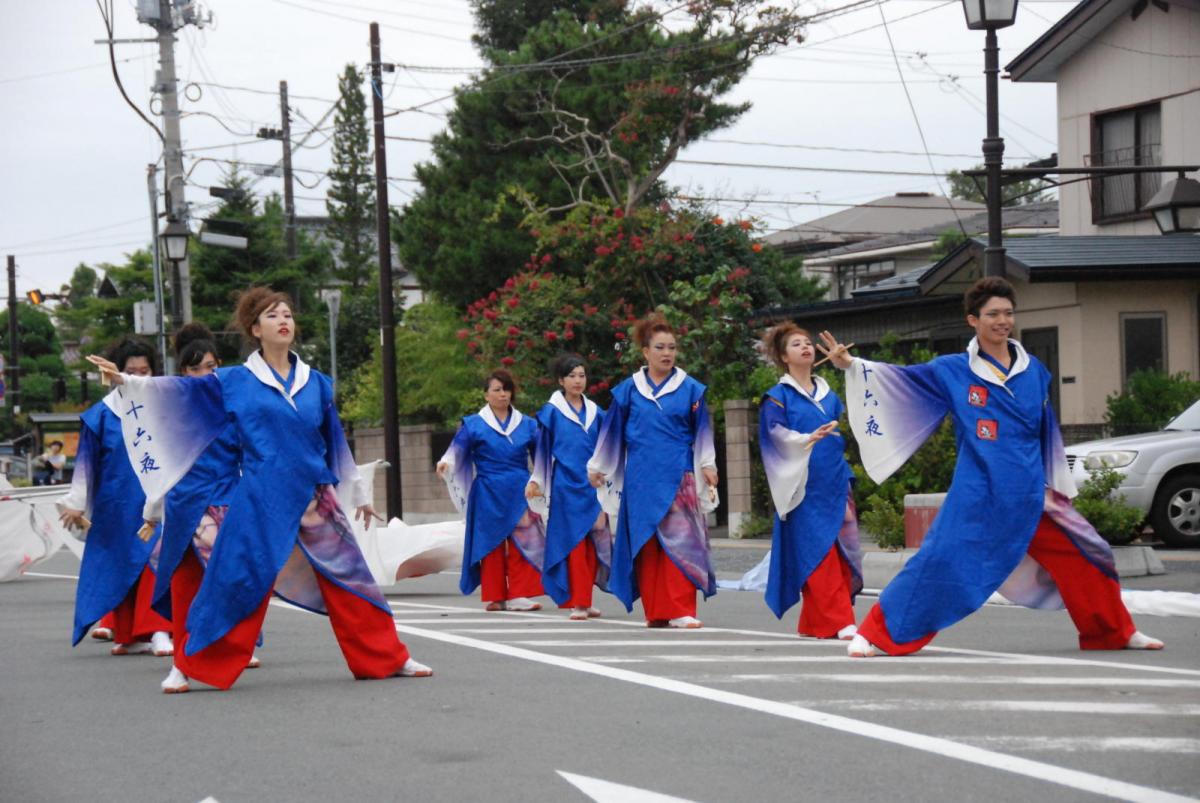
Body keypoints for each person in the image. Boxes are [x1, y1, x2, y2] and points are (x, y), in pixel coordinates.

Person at [88, 287, 430, 691]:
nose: (283, 320)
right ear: (255, 329)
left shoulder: (316, 382)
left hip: (314, 495)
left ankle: (389, 657)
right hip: (261, 496)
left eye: (287, 313)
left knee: (351, 578)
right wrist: (128, 381)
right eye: (272, 315)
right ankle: (189, 663)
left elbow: (334, 441)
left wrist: (357, 494)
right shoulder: (233, 381)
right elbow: (179, 394)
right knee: (237, 581)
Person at [817, 277, 1163, 657]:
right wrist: (850, 364)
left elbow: (1046, 430)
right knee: (940, 559)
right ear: (973, 320)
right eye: (993, 314)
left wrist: (1056, 480)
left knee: (1088, 550)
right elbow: (902, 379)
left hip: (1031, 490)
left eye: (1008, 313)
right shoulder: (952, 370)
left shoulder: (1035, 371)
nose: (1002, 321)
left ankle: (1113, 631)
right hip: (979, 490)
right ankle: (875, 633)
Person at [587, 313, 719, 628]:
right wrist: (599, 466)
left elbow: (702, 430)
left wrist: (707, 464)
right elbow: (612, 432)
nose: (667, 353)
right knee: (648, 543)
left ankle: (681, 608)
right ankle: (658, 611)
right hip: (641, 477)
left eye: (672, 347)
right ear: (645, 352)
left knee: (682, 541)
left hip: (679, 474)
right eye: (659, 347)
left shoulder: (692, 391)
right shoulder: (627, 391)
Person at [146, 323, 256, 693]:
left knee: (228, 576)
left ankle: (233, 645)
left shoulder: (234, 402)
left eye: (210, 366)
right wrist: (151, 510)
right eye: (195, 369)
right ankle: (182, 662)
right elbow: (156, 462)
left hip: (225, 496)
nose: (204, 374)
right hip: (182, 503)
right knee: (183, 584)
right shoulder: (171, 409)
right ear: (183, 374)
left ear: (220, 366)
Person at [59, 337, 173, 656]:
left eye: (145, 371)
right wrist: (75, 503)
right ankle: (128, 632)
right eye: (131, 370)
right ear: (115, 373)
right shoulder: (102, 415)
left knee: (155, 560)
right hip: (116, 503)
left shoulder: (166, 407)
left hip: (158, 500)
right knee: (122, 564)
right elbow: (85, 463)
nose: (139, 377)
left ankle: (160, 630)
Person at [758, 323, 862, 639]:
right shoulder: (777, 397)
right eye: (796, 344)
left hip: (834, 478)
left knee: (840, 548)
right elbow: (773, 435)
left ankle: (816, 622)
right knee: (818, 549)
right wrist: (804, 439)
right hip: (802, 484)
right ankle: (839, 618)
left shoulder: (829, 394)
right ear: (782, 356)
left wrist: (850, 368)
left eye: (807, 343)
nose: (805, 347)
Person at [437, 369, 546, 612]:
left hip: (519, 487)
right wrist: (447, 462)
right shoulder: (474, 424)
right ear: (486, 395)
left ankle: (519, 594)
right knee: (491, 542)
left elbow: (541, 457)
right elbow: (457, 449)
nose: (503, 394)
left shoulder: (527, 424)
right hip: (487, 488)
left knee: (522, 539)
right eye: (497, 390)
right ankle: (495, 596)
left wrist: (539, 480)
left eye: (506, 389)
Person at [526, 354, 613, 620]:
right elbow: (542, 451)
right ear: (561, 380)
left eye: (582, 375)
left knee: (593, 541)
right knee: (573, 542)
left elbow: (607, 446)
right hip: (565, 485)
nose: (578, 381)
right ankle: (578, 601)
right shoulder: (551, 412)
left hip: (592, 484)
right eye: (572, 376)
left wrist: (607, 475)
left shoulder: (597, 412)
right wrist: (536, 480)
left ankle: (584, 597)